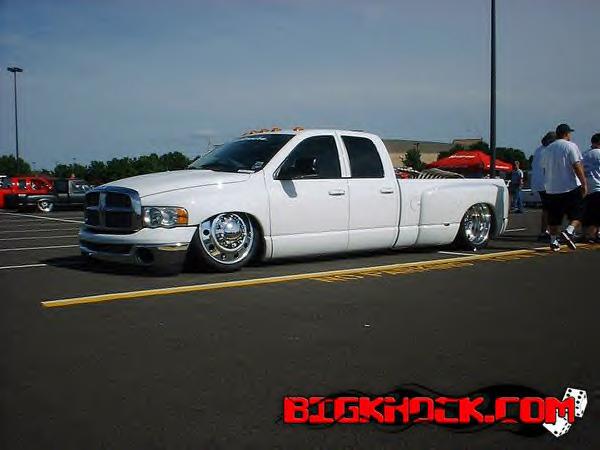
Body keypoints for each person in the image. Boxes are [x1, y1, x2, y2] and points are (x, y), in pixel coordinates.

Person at [541, 123, 588, 251]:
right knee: (578, 212)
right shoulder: (570, 146)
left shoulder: (547, 149)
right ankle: (569, 231)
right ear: (566, 134)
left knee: (554, 217)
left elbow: (544, 169)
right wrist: (584, 183)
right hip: (569, 186)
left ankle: (553, 241)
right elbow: (576, 165)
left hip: (552, 188)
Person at [530, 131, 556, 240]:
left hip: (538, 183)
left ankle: (544, 231)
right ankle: (546, 232)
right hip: (547, 184)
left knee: (546, 208)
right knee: (551, 209)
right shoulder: (549, 151)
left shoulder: (538, 150)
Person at [582, 133, 600, 243]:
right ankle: (594, 235)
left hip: (587, 187)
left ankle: (586, 234)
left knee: (587, 214)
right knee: (597, 214)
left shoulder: (584, 154)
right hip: (598, 186)